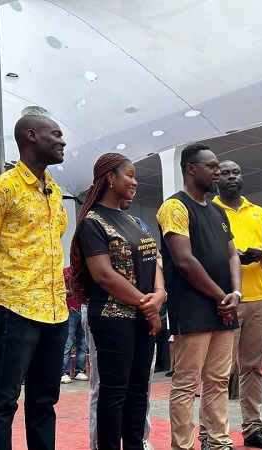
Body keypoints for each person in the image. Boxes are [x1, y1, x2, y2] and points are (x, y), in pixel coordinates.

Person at [0, 114, 69, 450]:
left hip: (56, 311)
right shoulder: (0, 189)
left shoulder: (55, 191)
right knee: (4, 400)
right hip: (16, 306)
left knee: (44, 400)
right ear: (31, 136)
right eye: (56, 135)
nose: (62, 142)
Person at [70, 153, 165, 450]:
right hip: (113, 318)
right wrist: (146, 305)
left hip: (143, 316)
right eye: (130, 174)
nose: (135, 181)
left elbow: (155, 261)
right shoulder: (92, 222)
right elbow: (104, 275)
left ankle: (135, 445)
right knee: (113, 392)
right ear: (111, 177)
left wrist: (160, 295)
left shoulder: (133, 221)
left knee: (139, 391)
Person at [156, 143, 241, 450]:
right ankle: (183, 446)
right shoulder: (174, 208)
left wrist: (236, 293)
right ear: (191, 168)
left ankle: (218, 442)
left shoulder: (218, 210)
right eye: (212, 166)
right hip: (192, 308)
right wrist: (223, 296)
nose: (218, 172)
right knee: (186, 384)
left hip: (224, 307)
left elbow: (233, 255)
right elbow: (184, 261)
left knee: (219, 381)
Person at [197, 160, 262, 449]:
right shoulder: (209, 211)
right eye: (226, 172)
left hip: (260, 297)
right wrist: (233, 258)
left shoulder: (258, 212)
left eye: (237, 172)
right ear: (217, 178)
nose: (232, 177)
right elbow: (201, 253)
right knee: (219, 372)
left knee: (253, 368)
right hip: (225, 300)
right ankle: (209, 434)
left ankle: (253, 428)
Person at [61, 266, 89, 384]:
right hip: (70, 310)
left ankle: (79, 370)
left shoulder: (85, 271)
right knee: (68, 341)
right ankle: (64, 372)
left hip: (84, 308)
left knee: (83, 342)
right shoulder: (65, 272)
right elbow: (61, 290)